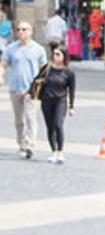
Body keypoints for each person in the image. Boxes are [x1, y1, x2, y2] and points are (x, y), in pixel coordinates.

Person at [2, 22, 47, 159]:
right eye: (18, 29)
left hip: (31, 89)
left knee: (30, 117)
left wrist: (40, 86)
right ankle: (21, 142)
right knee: (19, 119)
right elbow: (3, 64)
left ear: (31, 31)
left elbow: (44, 69)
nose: (21, 32)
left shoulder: (38, 49)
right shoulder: (11, 49)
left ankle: (29, 145)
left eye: (24, 29)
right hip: (15, 87)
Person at [36, 42, 73, 164]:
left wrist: (71, 106)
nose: (55, 56)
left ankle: (61, 152)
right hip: (46, 101)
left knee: (58, 124)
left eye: (58, 54)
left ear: (64, 56)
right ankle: (53, 151)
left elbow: (72, 90)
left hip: (60, 101)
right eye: (54, 54)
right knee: (50, 127)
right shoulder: (47, 68)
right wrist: (30, 93)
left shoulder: (69, 73)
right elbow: (36, 80)